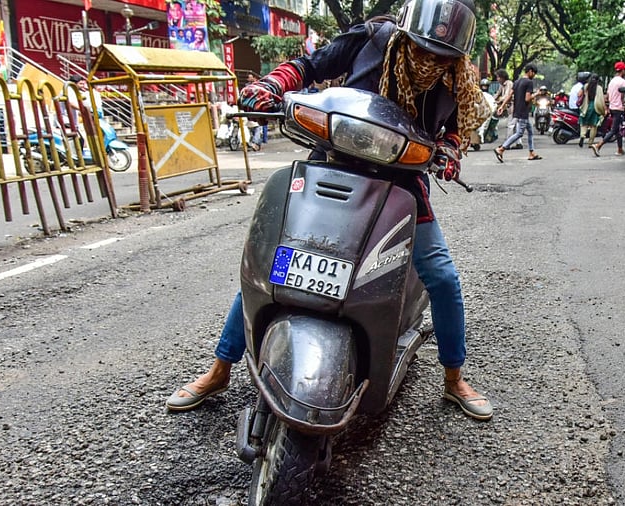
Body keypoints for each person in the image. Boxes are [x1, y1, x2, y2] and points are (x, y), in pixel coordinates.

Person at [166, 0, 495, 421]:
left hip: (402, 182)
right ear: (406, 33)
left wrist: (449, 150)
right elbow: (307, 67)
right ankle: (219, 369)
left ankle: (454, 379)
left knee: (442, 276)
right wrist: (269, 86)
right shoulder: (372, 39)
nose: (430, 60)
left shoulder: (457, 81)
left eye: (441, 56)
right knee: (278, 263)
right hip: (331, 163)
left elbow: (452, 132)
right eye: (423, 49)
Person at [494, 63, 542, 162]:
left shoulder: (517, 82)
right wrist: (536, 94)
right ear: (530, 71)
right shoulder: (529, 82)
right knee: (519, 133)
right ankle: (501, 148)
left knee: (530, 131)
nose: (534, 76)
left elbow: (509, 95)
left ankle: (531, 152)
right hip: (523, 111)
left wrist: (502, 106)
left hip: (517, 110)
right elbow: (527, 98)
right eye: (534, 73)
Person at [592, 61, 625, 156]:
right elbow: (623, 96)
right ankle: (598, 145)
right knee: (614, 130)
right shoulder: (622, 82)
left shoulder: (612, 81)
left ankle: (620, 149)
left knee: (617, 130)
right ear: (622, 71)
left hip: (612, 107)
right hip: (619, 108)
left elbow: (607, 96)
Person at [491, 69, 519, 147]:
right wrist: (491, 99)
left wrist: (499, 101)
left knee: (511, 125)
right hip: (509, 106)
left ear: (503, 77)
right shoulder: (502, 85)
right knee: (515, 125)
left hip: (513, 105)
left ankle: (507, 144)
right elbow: (497, 94)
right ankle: (518, 143)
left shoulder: (509, 84)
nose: (497, 79)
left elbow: (507, 96)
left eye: (498, 77)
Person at [577, 73, 605, 150]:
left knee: (584, 124)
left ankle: (582, 136)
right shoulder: (599, 88)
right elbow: (602, 99)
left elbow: (579, 94)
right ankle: (590, 142)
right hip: (595, 107)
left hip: (586, 106)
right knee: (593, 125)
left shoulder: (586, 86)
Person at [246, 72, 269, 144]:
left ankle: (264, 139)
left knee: (262, 123)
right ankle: (257, 140)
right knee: (256, 124)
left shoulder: (259, 85)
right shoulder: (247, 86)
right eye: (248, 77)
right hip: (252, 105)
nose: (249, 79)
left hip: (260, 105)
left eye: (251, 77)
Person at [475, 78, 497, 144]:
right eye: (483, 86)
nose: (484, 87)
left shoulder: (488, 95)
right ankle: (481, 135)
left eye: (485, 86)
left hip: (483, 113)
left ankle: (481, 135)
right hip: (481, 113)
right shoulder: (482, 94)